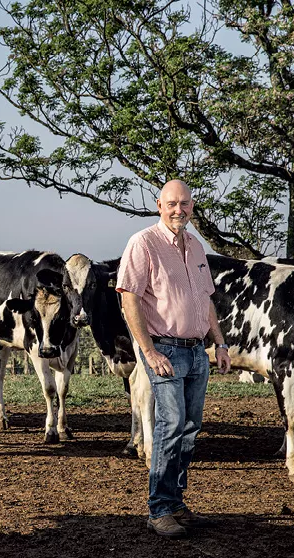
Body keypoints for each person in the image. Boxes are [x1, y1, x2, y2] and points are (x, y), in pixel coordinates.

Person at [116, 179, 231, 539]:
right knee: (170, 425)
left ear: (192, 206)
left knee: (189, 429)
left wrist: (220, 342)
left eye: (184, 204)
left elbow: (206, 299)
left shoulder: (196, 246)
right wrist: (148, 351)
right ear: (158, 205)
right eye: (171, 204)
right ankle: (159, 509)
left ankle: (176, 501)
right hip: (164, 350)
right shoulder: (143, 243)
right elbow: (129, 298)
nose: (178, 210)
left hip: (197, 351)